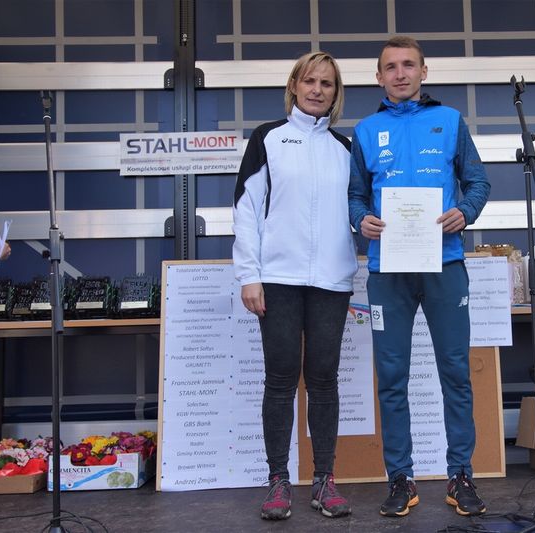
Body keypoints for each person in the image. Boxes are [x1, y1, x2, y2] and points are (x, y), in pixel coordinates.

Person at [348, 36, 491, 517]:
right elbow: (355, 195)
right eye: (391, 67)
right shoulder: (366, 130)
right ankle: (400, 478)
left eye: (409, 64)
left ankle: (460, 475)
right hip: (387, 270)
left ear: (424, 71)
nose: (400, 73)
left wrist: (465, 212)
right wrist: (360, 219)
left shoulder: (449, 121)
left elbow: (478, 181)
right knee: (391, 376)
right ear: (379, 77)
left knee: (455, 372)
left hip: (444, 264)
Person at [232, 51, 357, 521]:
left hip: (331, 281)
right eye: (309, 81)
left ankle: (324, 480)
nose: (317, 90)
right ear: (294, 86)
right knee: (281, 379)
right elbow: (246, 208)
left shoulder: (345, 148)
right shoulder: (268, 138)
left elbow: (358, 208)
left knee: (324, 380)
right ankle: (278, 482)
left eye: (327, 83)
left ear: (336, 93)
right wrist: (249, 275)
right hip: (278, 279)